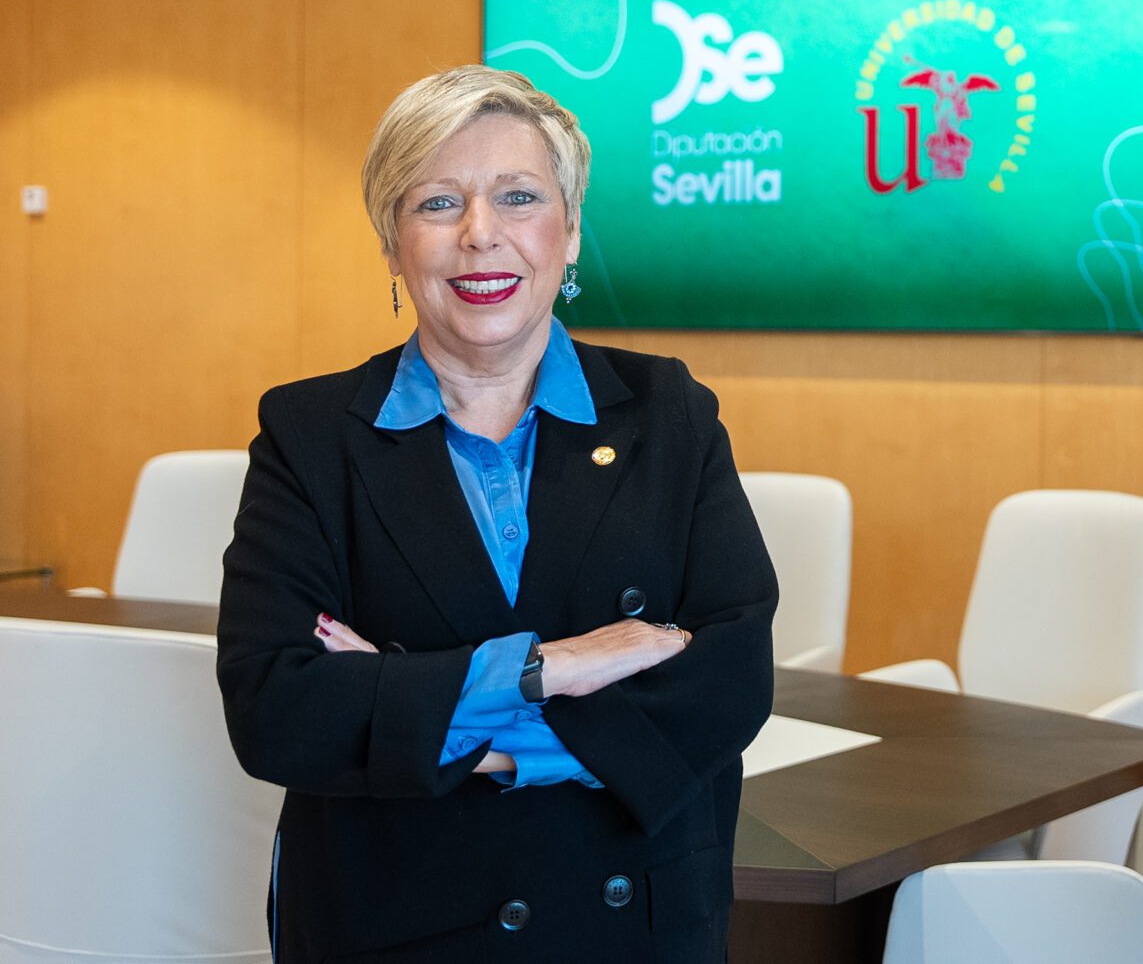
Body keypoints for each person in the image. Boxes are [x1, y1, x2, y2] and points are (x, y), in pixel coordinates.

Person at [218, 65, 777, 963]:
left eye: (519, 197)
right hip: (395, 923)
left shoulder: (667, 410)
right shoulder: (310, 433)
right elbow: (277, 707)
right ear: (391, 243)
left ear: (571, 229)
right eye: (438, 204)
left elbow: (731, 680)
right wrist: (547, 669)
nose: (482, 236)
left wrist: (448, 724)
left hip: (631, 923)